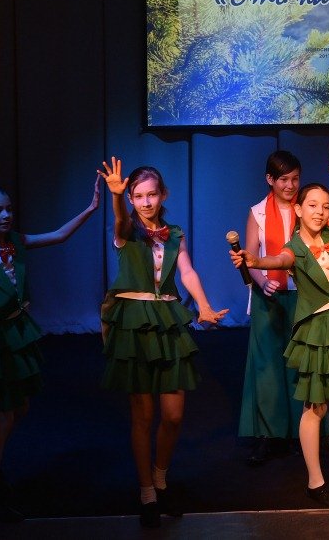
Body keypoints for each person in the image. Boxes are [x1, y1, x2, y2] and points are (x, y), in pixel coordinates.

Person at [230, 124, 329, 508]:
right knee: (315, 405)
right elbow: (277, 260)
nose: (320, 211)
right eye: (312, 205)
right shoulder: (295, 247)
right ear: (299, 209)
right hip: (316, 331)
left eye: (325, 206)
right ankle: (315, 481)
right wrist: (254, 262)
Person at [97, 159, 228, 528]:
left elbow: (186, 271)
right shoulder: (126, 230)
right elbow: (120, 221)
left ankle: (161, 477)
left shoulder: (175, 234)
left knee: (173, 415)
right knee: (143, 415)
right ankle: (147, 492)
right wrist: (116, 197)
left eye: (151, 194)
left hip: (167, 320)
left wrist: (203, 305)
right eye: (138, 196)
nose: (145, 202)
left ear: (163, 195)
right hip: (135, 325)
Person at [0, 180, 99, 522]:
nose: (6, 215)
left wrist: (90, 209)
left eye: (9, 209)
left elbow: (58, 236)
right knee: (3, 416)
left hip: (16, 333)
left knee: (20, 408)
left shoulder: (14, 242)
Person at [238, 150, 304, 465]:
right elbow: (250, 257)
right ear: (270, 180)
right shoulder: (258, 213)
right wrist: (262, 281)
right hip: (269, 297)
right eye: (283, 180)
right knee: (266, 366)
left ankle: (299, 433)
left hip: (302, 296)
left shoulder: (307, 207)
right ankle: (268, 433)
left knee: (300, 364)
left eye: (295, 179)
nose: (290, 186)